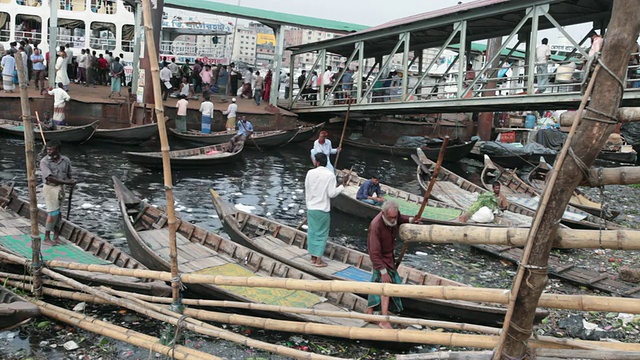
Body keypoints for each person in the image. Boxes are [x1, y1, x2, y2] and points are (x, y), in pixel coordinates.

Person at [366, 200, 416, 328]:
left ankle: (371, 311)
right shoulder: (375, 226)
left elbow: (399, 218)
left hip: (389, 256)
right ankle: (383, 319)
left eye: (394, 217)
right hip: (381, 259)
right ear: (383, 213)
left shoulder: (394, 216)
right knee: (385, 285)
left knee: (377, 284)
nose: (393, 220)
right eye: (391, 217)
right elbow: (374, 252)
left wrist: (411, 220)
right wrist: (383, 271)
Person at [304, 152, 346, 268]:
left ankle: (313, 258)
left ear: (317, 162)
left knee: (312, 232)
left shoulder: (310, 173)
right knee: (321, 234)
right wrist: (342, 187)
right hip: (322, 209)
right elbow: (331, 194)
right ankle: (318, 260)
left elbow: (307, 188)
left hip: (311, 207)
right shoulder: (329, 175)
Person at [40, 140, 76, 246]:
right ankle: (46, 237)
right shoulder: (44, 161)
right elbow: (49, 178)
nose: (49, 152)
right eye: (48, 149)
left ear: (58, 150)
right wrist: (66, 182)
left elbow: (69, 175)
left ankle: (56, 236)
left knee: (59, 213)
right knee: (53, 212)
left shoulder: (66, 160)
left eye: (51, 149)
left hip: (60, 189)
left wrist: (72, 181)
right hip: (50, 189)